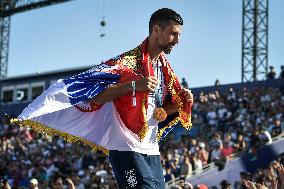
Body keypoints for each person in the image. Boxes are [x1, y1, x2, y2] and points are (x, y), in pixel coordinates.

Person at [14, 8, 193, 189]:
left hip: (151, 149)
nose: (177, 40)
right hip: (126, 148)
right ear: (156, 30)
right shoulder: (126, 63)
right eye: (173, 34)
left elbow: (158, 113)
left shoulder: (165, 72)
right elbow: (96, 97)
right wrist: (133, 85)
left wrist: (181, 102)